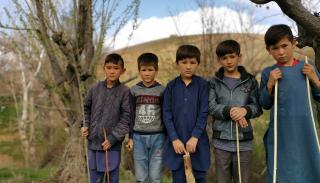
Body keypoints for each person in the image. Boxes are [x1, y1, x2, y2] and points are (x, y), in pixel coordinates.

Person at [259, 24, 320, 182]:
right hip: (282, 132)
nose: (281, 52)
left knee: (310, 168)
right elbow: (264, 103)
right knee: (281, 171)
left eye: (285, 46)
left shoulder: (307, 66)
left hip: (306, 129)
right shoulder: (268, 73)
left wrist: (314, 79)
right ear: (268, 50)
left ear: (293, 43)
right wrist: (270, 84)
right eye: (275, 48)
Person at [208, 39, 262, 183]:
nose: (229, 61)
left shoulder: (250, 81)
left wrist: (244, 111)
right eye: (224, 58)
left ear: (239, 56)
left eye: (232, 56)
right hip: (221, 141)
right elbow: (211, 107)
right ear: (219, 60)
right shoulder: (214, 82)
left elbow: (257, 107)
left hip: (243, 140)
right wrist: (231, 111)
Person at [162, 45, 210, 183]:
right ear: (177, 64)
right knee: (179, 178)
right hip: (177, 145)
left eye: (192, 62)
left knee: (199, 177)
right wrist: (174, 139)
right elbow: (166, 114)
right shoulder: (171, 86)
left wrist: (195, 137)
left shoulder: (203, 85)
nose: (188, 66)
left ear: (198, 64)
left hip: (198, 144)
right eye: (184, 62)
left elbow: (204, 112)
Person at [81, 53, 131, 183]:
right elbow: (85, 109)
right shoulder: (94, 89)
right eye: (109, 68)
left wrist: (113, 138)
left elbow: (126, 118)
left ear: (122, 71)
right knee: (95, 180)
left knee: (111, 179)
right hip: (93, 144)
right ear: (104, 68)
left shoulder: (125, 92)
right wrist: (84, 126)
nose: (112, 71)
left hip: (111, 146)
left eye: (116, 68)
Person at [126, 53, 166, 183]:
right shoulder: (134, 90)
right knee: (141, 177)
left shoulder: (162, 90)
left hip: (158, 137)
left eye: (150, 70)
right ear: (139, 71)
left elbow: (165, 115)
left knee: (155, 176)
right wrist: (130, 137)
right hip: (138, 137)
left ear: (156, 70)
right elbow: (131, 115)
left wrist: (166, 136)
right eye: (144, 70)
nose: (147, 73)